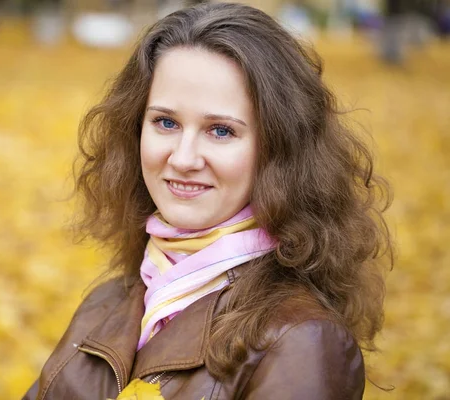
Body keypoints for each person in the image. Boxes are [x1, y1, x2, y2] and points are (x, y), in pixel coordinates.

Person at [22, 2, 393, 399]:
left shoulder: (302, 340)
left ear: (279, 148)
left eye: (220, 131)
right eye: (166, 122)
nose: (182, 159)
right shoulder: (111, 299)